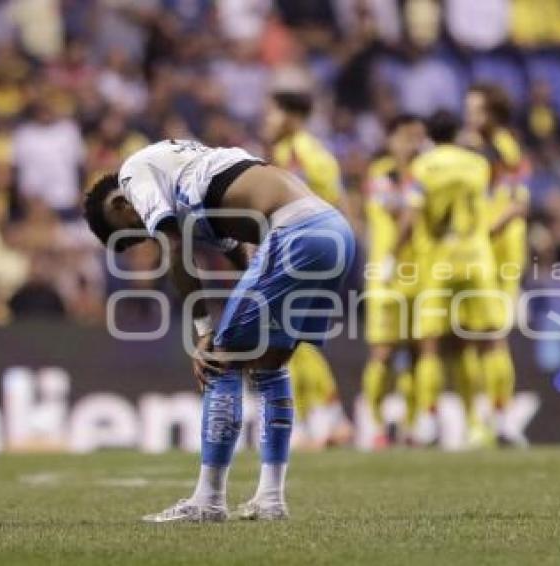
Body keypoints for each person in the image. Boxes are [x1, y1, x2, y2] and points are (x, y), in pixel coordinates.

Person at [83, 139, 355, 521]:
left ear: (120, 204)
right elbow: (237, 252)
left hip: (295, 233)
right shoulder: (192, 174)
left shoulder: (133, 175)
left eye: (136, 229)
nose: (147, 233)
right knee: (269, 363)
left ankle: (208, 501)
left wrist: (205, 331)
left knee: (220, 360)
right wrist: (253, 306)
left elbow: (175, 247)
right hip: (333, 232)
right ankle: (270, 498)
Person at [388, 110, 506, 445]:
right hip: (476, 259)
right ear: (457, 132)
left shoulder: (423, 167)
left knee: (430, 346)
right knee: (487, 340)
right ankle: (492, 417)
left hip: (437, 263)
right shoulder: (478, 164)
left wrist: (391, 255)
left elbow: (412, 215)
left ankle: (427, 419)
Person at [263, 91, 353, 448]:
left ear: (290, 116)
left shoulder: (298, 153)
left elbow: (300, 207)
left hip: (305, 251)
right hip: (317, 249)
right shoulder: (307, 150)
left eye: (272, 113)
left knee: (289, 338)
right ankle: (324, 421)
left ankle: (322, 420)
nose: (267, 121)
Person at [463, 84, 530, 446]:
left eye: (476, 110)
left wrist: (485, 232)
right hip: (477, 254)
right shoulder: (476, 147)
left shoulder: (505, 150)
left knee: (491, 336)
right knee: (474, 337)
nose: (469, 116)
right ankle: (485, 420)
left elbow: (519, 204)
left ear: (493, 113)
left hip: (499, 254)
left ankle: (499, 419)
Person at [360, 114, 427, 446]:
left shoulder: (426, 173)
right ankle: (374, 424)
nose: (413, 145)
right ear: (392, 140)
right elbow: (402, 216)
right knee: (383, 353)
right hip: (385, 276)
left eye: (418, 138)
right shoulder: (381, 173)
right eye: (406, 137)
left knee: (417, 353)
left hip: (424, 274)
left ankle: (413, 425)